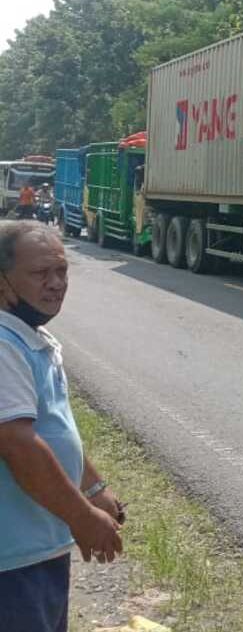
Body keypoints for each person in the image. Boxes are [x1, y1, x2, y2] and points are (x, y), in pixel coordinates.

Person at [0, 222, 124, 632]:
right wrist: (82, 516)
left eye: (62, 271)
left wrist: (94, 487)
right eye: (40, 274)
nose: (56, 284)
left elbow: (56, 427)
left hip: (39, 547)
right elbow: (19, 444)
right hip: (11, 562)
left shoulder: (32, 340)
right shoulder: (3, 345)